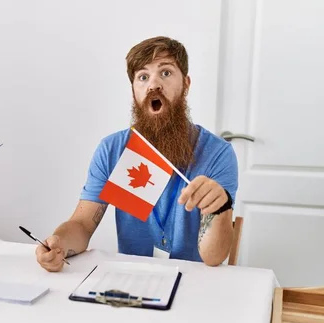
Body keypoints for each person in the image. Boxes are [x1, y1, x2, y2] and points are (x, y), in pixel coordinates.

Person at [36, 36, 238, 271]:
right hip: (133, 280)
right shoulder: (112, 150)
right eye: (143, 77)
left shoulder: (218, 154)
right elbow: (81, 225)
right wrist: (59, 243)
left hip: (194, 281)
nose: (153, 85)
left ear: (186, 83)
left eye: (165, 73)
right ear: (134, 90)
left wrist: (220, 208)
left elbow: (214, 258)